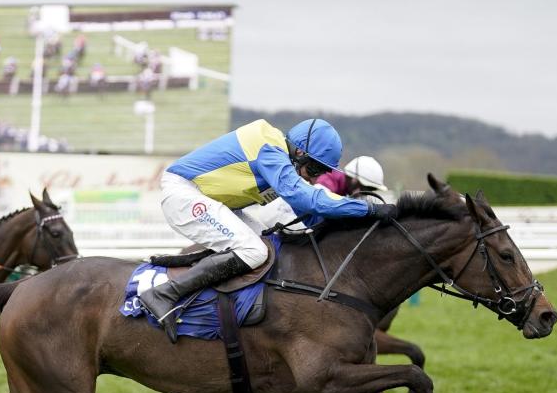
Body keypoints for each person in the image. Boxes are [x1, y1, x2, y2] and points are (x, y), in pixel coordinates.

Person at [138, 118, 398, 342]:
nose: (315, 178)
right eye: (315, 169)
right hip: (184, 192)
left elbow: (308, 217)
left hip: (213, 200)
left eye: (321, 173)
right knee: (253, 251)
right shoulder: (269, 148)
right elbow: (304, 198)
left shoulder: (280, 156)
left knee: (269, 244)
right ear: (298, 152)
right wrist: (367, 210)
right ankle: (164, 295)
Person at [317, 155, 388, 196]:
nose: (366, 193)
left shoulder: (345, 192)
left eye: (371, 190)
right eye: (366, 188)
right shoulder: (328, 179)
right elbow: (322, 202)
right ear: (354, 180)